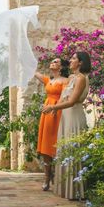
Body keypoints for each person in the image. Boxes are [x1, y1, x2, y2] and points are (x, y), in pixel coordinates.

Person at [42, 51, 91, 200]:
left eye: (74, 58)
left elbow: (72, 101)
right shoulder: (71, 77)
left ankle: (75, 191)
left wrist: (52, 108)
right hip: (65, 116)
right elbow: (63, 97)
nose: (70, 60)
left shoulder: (81, 78)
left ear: (80, 62)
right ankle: (64, 189)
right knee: (64, 150)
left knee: (72, 149)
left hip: (74, 116)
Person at [34, 58, 69, 191]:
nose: (52, 63)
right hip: (46, 113)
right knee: (45, 145)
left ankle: (56, 173)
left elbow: (63, 96)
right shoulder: (49, 80)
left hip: (56, 111)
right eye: (52, 61)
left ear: (60, 67)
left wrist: (55, 108)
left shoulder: (65, 80)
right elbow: (34, 73)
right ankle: (47, 177)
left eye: (56, 62)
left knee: (55, 142)